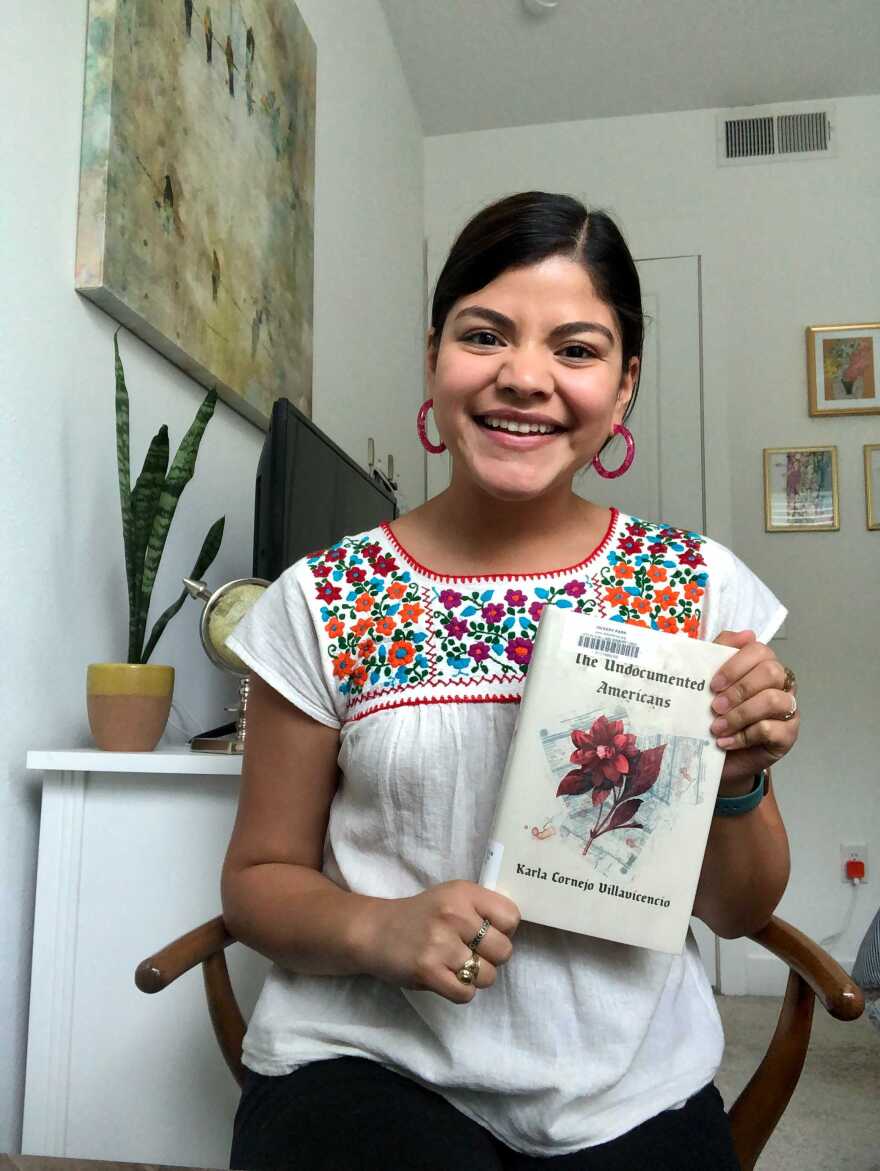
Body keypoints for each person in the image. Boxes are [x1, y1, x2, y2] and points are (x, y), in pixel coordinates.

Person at [223, 191, 799, 1170]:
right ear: (434, 357)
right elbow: (257, 881)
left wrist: (737, 777)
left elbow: (738, 911)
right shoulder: (324, 598)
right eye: (484, 334)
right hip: (368, 1062)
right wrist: (379, 926)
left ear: (623, 388)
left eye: (575, 349)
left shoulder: (694, 587)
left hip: (628, 1088)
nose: (523, 378)